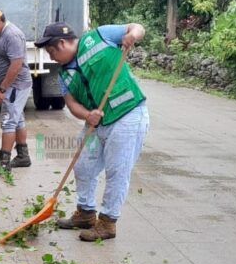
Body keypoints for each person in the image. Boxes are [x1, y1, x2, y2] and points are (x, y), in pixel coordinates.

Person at [34, 22, 150, 241]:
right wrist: (87, 115)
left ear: (62, 43)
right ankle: (86, 213)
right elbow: (71, 104)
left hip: (128, 115)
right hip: (96, 124)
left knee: (117, 171)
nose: (51, 58)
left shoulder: (99, 37)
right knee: (83, 166)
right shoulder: (63, 75)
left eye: (51, 52)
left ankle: (107, 223)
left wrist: (132, 35)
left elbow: (137, 27)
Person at [0, 8, 33, 175]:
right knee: (17, 119)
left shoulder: (12, 35)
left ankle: (3, 162)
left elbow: (16, 65)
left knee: (8, 121)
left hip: (15, 85)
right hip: (9, 84)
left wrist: (2, 89)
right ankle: (23, 156)